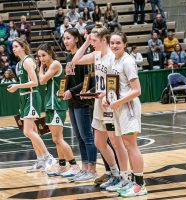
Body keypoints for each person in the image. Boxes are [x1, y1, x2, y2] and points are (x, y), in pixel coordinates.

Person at [72, 24, 129, 189]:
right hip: (99, 103)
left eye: (95, 40)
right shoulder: (96, 54)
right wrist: (86, 42)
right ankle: (114, 173)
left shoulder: (112, 56)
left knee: (116, 142)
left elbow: (116, 83)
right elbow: (76, 60)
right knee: (99, 142)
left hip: (110, 102)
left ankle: (124, 177)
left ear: (104, 40)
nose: (92, 43)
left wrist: (105, 95)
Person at [107, 31, 147, 197]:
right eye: (112, 43)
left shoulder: (128, 61)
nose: (115, 45)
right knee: (127, 145)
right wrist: (107, 99)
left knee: (131, 145)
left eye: (118, 43)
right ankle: (133, 181)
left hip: (128, 108)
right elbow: (115, 87)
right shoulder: (114, 60)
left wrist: (118, 101)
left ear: (124, 44)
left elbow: (137, 90)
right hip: (119, 107)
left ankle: (140, 184)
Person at [7, 37, 56, 172]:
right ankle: (40, 160)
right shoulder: (18, 64)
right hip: (24, 97)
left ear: (23, 47)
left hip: (32, 96)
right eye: (13, 47)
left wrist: (17, 86)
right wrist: (18, 89)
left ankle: (48, 156)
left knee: (27, 131)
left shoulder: (28, 61)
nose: (14, 49)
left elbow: (35, 82)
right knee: (33, 131)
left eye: (16, 46)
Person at [37, 43, 80, 177]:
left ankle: (74, 165)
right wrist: (43, 67)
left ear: (50, 53)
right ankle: (62, 166)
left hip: (57, 105)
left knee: (59, 139)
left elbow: (42, 80)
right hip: (50, 105)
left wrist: (40, 68)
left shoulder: (55, 64)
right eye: (39, 57)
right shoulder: (48, 66)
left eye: (43, 55)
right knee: (56, 139)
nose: (41, 59)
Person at [62, 28, 97, 182]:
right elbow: (68, 79)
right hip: (72, 102)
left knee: (87, 137)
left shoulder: (84, 58)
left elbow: (88, 81)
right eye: (64, 38)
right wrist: (62, 90)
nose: (65, 41)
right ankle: (84, 169)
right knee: (79, 138)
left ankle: (92, 169)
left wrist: (71, 90)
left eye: (68, 38)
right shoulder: (69, 57)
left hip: (83, 101)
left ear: (77, 39)